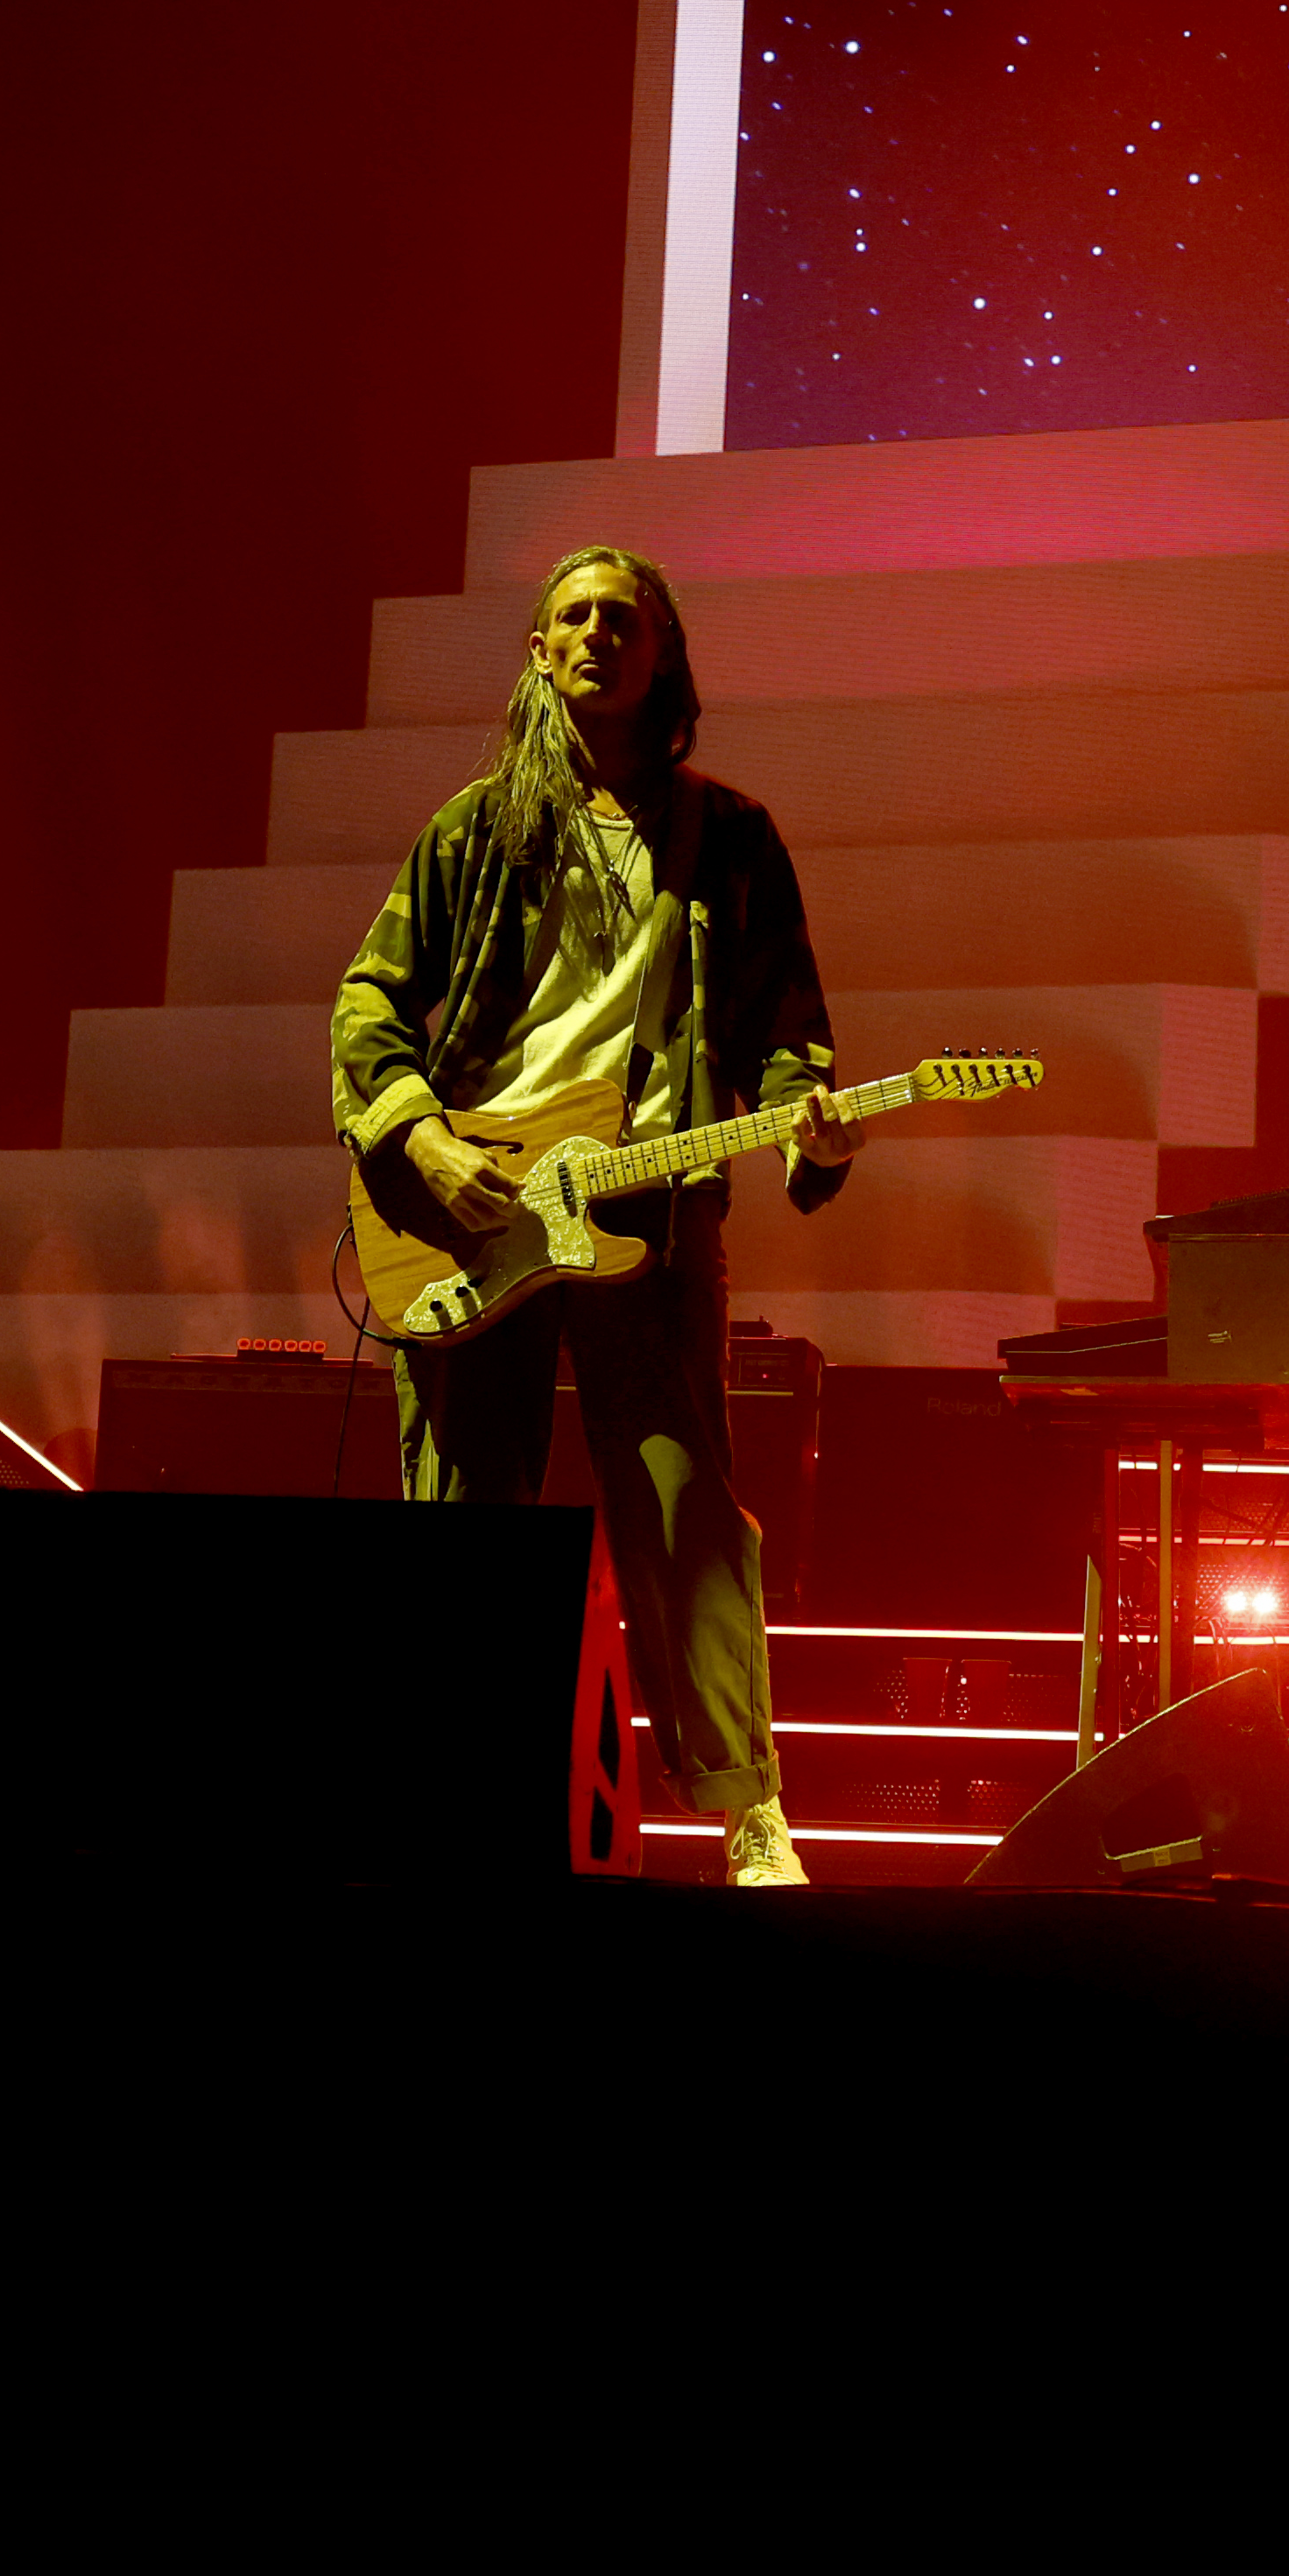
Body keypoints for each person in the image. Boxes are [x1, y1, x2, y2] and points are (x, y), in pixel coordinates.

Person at [330, 545, 851, 1890]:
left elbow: (788, 1033)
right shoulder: (474, 830)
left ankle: (746, 1810)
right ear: (540, 650)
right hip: (477, 1207)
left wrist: (813, 1124)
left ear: (663, 656)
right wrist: (427, 1144)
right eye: (574, 617)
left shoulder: (729, 840)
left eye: (627, 619)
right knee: (466, 1512)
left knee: (686, 1515)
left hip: (652, 1209)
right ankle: (453, 1805)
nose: (599, 635)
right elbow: (371, 1001)